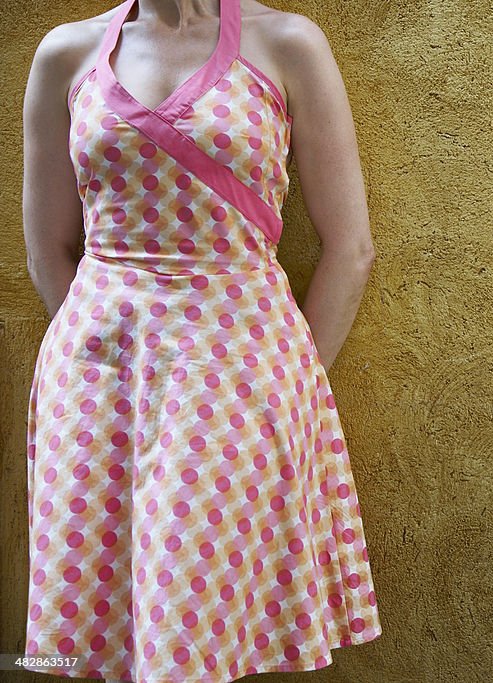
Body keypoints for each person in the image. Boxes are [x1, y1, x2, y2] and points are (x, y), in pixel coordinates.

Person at [21, 1, 382, 681]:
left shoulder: (288, 44)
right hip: (97, 380)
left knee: (193, 606)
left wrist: (291, 381)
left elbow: (351, 249)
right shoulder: (66, 53)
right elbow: (49, 249)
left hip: (242, 373)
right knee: (108, 619)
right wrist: (95, 352)